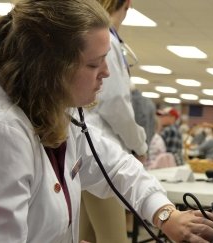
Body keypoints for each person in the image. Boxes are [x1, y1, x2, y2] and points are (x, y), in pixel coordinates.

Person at [0, 1, 213, 242]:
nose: (106, 73)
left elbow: (117, 167)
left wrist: (166, 214)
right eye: (94, 65)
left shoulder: (58, 114)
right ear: (50, 68)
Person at [79, 0, 151, 242]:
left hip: (86, 154)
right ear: (128, 4)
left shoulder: (94, 37)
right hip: (100, 155)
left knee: (84, 236)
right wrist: (139, 146)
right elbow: (115, 101)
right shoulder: (105, 41)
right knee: (113, 239)